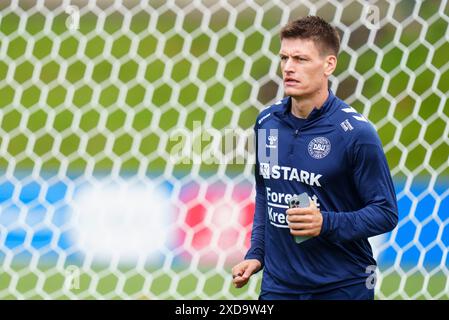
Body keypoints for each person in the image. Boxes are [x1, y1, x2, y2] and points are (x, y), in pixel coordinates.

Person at [231, 16, 398, 300]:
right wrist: (257, 253)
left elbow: (385, 212)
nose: (289, 68)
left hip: (341, 286)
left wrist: (326, 223)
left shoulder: (356, 133)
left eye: (301, 59)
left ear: (329, 65)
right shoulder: (267, 122)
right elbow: (266, 193)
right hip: (278, 286)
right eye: (284, 58)